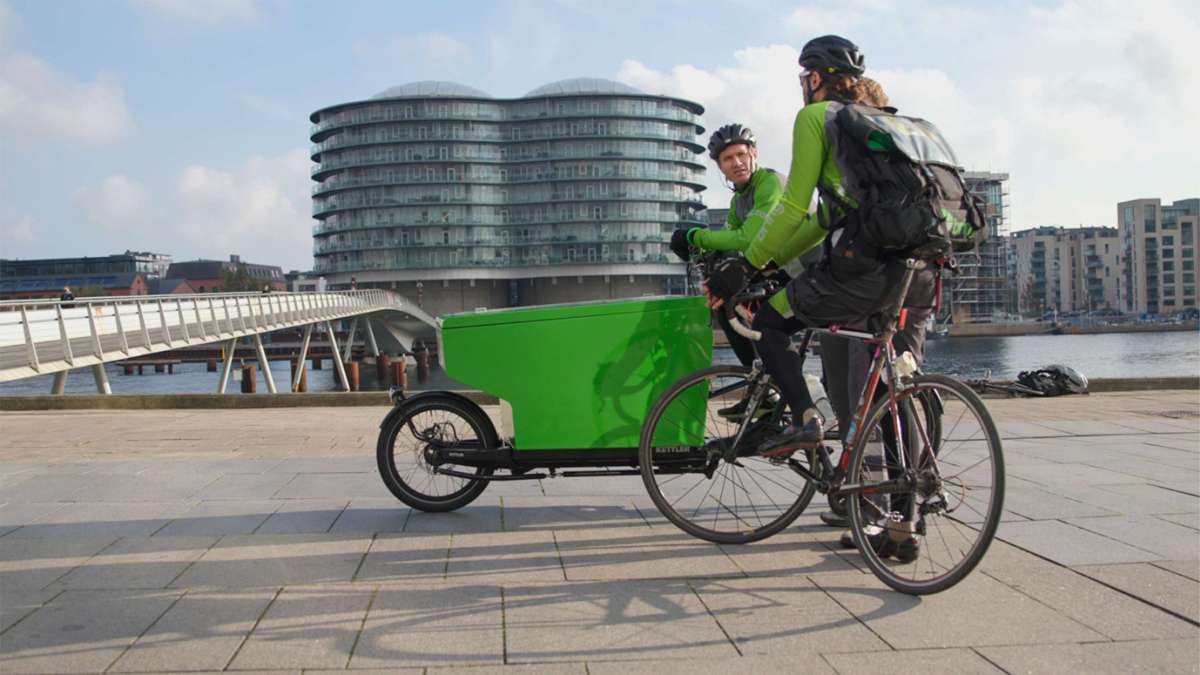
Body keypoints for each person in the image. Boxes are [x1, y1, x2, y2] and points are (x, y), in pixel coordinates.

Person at [702, 35, 936, 555]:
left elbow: (791, 208)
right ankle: (903, 524)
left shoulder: (817, 119)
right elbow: (818, 223)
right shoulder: (886, 126)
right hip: (921, 270)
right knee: (883, 398)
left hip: (866, 270)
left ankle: (806, 421)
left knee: (770, 324)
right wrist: (758, 261)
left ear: (813, 78)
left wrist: (745, 266)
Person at [671, 124, 785, 373]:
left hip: (803, 269)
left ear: (754, 153)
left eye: (741, 154)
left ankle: (777, 384)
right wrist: (698, 251)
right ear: (720, 167)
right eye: (728, 159)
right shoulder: (738, 201)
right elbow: (727, 238)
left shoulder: (770, 183)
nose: (737, 163)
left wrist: (695, 236)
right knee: (724, 302)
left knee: (768, 325)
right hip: (775, 271)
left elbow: (746, 238)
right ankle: (760, 384)